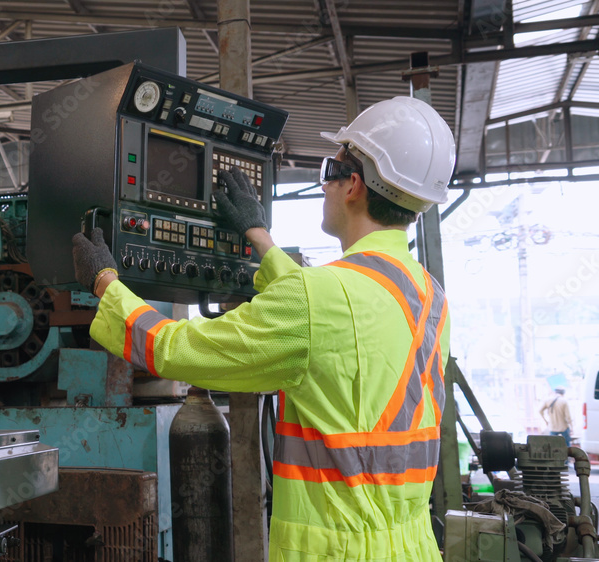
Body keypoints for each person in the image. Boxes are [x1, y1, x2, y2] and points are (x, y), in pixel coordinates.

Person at [71, 96, 456, 561]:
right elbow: (333, 320)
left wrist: (105, 283)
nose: (325, 188)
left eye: (327, 174)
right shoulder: (428, 294)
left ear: (352, 184)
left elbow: (176, 349)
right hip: (413, 547)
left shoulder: (319, 299)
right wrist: (258, 235)